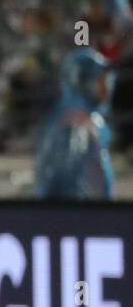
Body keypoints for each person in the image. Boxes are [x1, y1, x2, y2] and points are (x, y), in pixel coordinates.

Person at [36, 48, 115, 201]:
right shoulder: (68, 124)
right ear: (84, 82)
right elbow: (56, 184)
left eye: (107, 80)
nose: (107, 88)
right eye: (101, 81)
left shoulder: (93, 120)